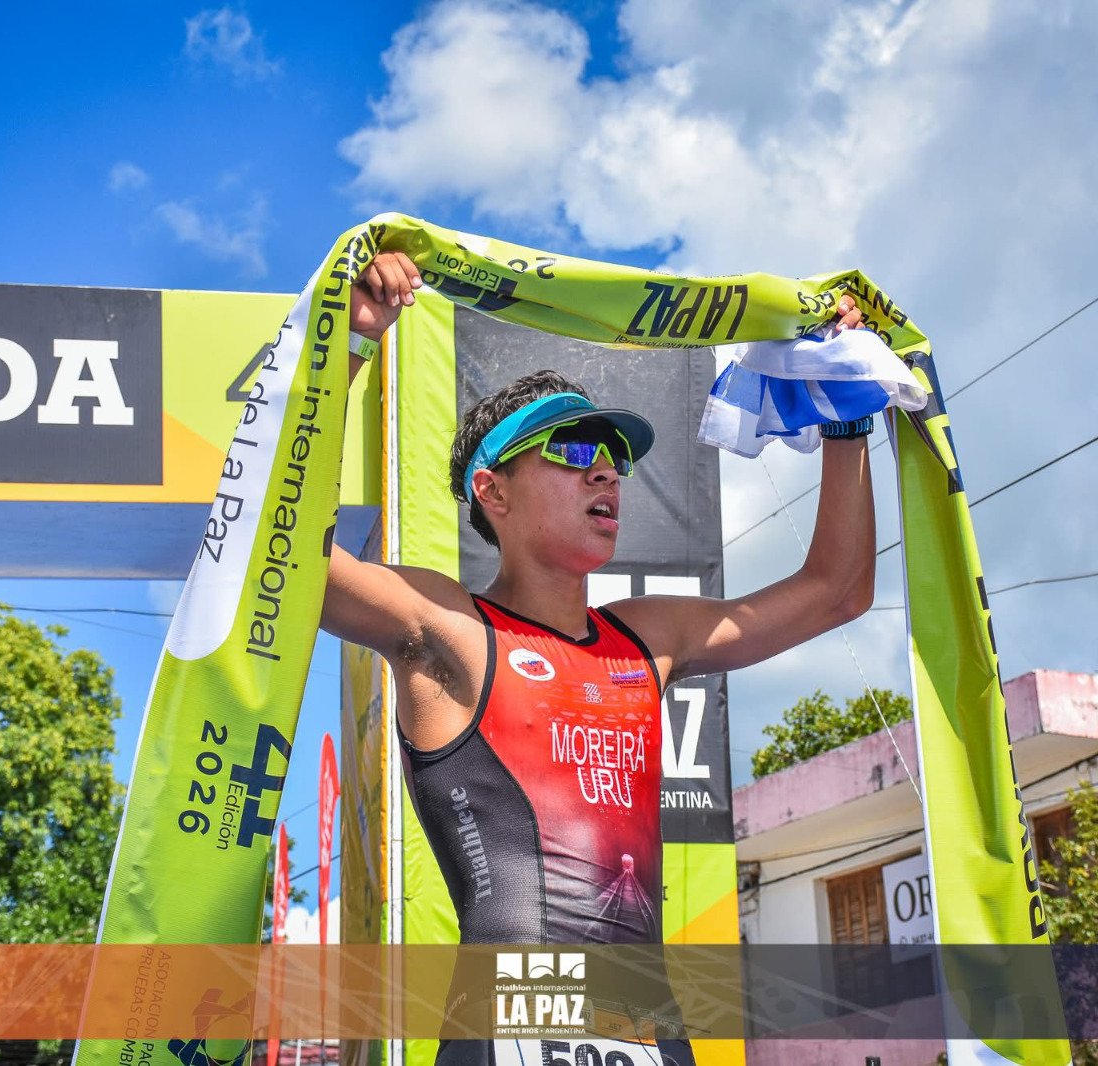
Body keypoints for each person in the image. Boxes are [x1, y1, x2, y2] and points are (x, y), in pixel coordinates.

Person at [319, 251, 875, 1066]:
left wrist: (845, 407)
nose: (607, 467)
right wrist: (351, 347)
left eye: (613, 453)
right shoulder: (453, 628)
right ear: (492, 493)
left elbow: (837, 591)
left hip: (649, 1028)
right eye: (573, 450)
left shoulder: (644, 639)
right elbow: (290, 564)